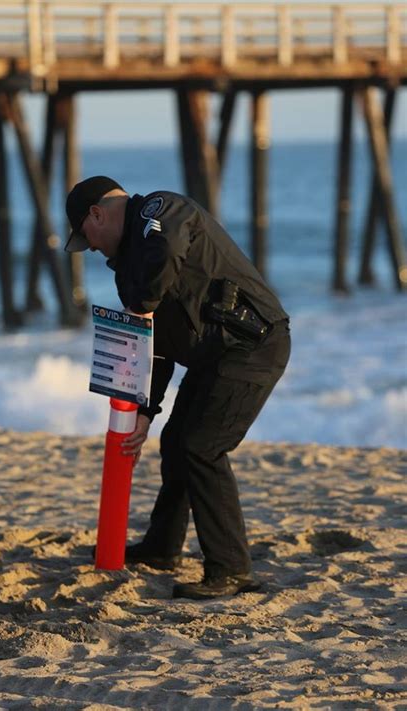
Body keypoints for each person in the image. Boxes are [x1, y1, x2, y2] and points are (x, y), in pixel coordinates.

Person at [65, 176, 291, 600]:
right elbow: (157, 347)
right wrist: (146, 411)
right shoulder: (130, 270)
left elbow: (166, 250)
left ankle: (231, 568)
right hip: (213, 359)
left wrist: (142, 303)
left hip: (254, 346)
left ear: (97, 213)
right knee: (175, 441)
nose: (90, 248)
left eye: (85, 236)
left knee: (201, 448)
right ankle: (162, 548)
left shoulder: (160, 209)